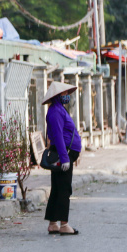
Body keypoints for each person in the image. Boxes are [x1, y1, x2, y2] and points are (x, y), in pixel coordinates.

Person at [42, 81, 82, 236]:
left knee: (58, 187)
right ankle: (64, 225)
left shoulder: (58, 109)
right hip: (62, 153)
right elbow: (58, 136)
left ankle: (53, 223)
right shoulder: (56, 112)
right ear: (58, 96)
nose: (67, 96)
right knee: (64, 188)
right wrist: (65, 158)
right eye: (64, 94)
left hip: (64, 152)